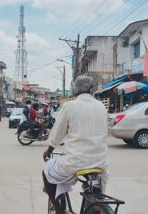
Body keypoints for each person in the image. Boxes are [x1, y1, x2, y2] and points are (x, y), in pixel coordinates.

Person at [42, 76, 109, 214]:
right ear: (91, 90)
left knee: (46, 172)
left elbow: (58, 133)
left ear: (74, 90)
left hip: (75, 162)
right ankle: (92, 206)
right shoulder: (101, 106)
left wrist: (49, 150)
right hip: (100, 163)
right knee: (94, 187)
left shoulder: (69, 106)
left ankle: (59, 210)